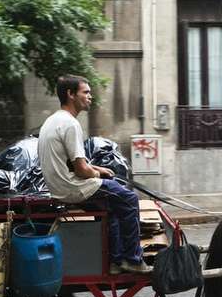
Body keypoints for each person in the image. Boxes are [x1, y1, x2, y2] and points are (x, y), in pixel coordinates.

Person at [37, 75, 151, 274]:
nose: (90, 96)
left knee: (113, 206)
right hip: (75, 188)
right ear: (70, 94)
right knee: (129, 199)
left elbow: (74, 164)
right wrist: (98, 176)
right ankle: (132, 259)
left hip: (60, 187)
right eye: (86, 92)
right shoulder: (70, 124)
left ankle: (115, 262)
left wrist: (98, 170)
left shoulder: (52, 121)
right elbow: (81, 170)